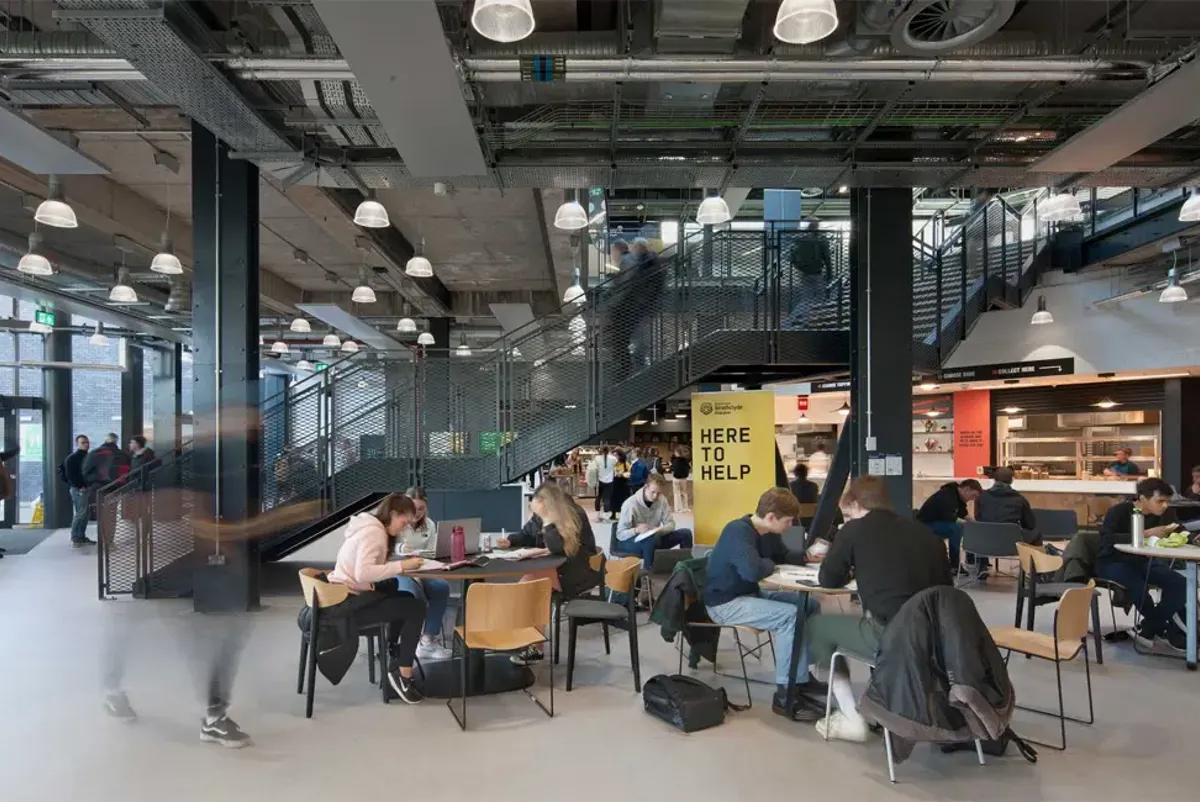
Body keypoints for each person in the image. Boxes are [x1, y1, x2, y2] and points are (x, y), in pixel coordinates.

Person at [808, 476, 953, 742]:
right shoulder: (926, 534)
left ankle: (850, 717)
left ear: (855, 503)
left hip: (892, 636)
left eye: (847, 513)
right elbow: (947, 589)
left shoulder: (853, 531)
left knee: (819, 626)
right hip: (936, 639)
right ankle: (885, 702)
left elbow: (828, 581)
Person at [704, 487, 823, 720]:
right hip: (725, 604)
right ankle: (784, 694)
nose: (790, 526)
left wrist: (806, 557)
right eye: (788, 521)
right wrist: (768, 563)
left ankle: (800, 678)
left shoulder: (766, 532)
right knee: (789, 615)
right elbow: (752, 571)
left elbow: (782, 556)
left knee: (810, 606)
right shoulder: (737, 531)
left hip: (748, 595)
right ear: (771, 517)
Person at [327, 493, 430, 703]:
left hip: (341, 598)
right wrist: (402, 566)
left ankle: (394, 656)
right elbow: (363, 573)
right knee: (416, 607)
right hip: (347, 606)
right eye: (404, 521)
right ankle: (402, 675)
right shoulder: (374, 533)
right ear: (393, 514)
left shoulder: (368, 527)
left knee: (404, 597)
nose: (405, 528)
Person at [497, 483, 599, 665]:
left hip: (575, 574)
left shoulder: (574, 515)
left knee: (529, 587)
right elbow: (526, 534)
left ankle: (528, 641)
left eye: (537, 507)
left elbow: (557, 548)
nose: (535, 512)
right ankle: (529, 641)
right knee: (530, 586)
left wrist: (547, 520)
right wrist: (510, 540)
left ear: (546, 503)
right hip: (556, 570)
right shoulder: (542, 516)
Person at [1095, 477, 1187, 653]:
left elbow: (1180, 530)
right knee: (1138, 586)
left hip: (1145, 562)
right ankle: (1162, 629)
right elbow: (1107, 540)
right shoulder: (1119, 511)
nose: (1165, 505)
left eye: (1167, 501)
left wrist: (1193, 538)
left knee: (1179, 583)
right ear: (1143, 498)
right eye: (1160, 501)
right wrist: (1144, 534)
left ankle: (1148, 628)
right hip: (1112, 561)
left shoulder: (1166, 514)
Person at [392, 487, 453, 661]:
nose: (417, 513)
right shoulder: (397, 522)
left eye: (421, 509)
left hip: (423, 568)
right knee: (411, 594)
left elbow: (434, 551)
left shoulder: (430, 524)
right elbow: (389, 549)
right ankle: (402, 644)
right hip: (399, 570)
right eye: (413, 508)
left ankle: (428, 641)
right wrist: (402, 549)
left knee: (441, 587)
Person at [614, 474, 694, 569]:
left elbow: (671, 524)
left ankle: (686, 568)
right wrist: (636, 530)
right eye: (653, 492)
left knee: (686, 533)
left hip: (654, 537)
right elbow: (620, 534)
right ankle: (649, 573)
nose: (656, 496)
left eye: (659, 493)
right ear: (645, 487)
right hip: (631, 541)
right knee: (649, 540)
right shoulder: (630, 504)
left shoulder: (662, 500)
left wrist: (658, 530)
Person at [974, 467, 1037, 580]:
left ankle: (982, 566)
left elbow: (978, 518)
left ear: (994, 479)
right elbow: (1030, 524)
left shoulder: (981, 497)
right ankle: (1033, 571)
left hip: (984, 543)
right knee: (1036, 533)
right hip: (1011, 544)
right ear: (1011, 481)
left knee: (981, 530)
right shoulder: (1020, 499)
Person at [916, 478, 982, 573]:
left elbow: (963, 513)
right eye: (973, 495)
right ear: (966, 489)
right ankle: (954, 565)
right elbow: (950, 517)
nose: (973, 499)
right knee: (956, 529)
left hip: (938, 523)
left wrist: (975, 524)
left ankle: (970, 558)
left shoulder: (957, 496)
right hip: (925, 524)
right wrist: (967, 524)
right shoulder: (947, 495)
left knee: (963, 528)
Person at [83, 433, 130, 545]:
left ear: (105, 440)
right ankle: (109, 541)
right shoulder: (123, 455)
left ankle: (102, 540)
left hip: (99, 489)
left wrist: (93, 483)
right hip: (116, 489)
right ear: (116, 441)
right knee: (111, 515)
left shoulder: (94, 453)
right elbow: (128, 473)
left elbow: (86, 472)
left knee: (101, 516)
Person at [58, 435, 93, 547]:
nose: (86, 444)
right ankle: (75, 537)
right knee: (81, 513)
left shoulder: (88, 457)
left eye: (87, 442)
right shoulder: (73, 458)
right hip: (78, 489)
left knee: (85, 514)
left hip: (85, 488)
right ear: (77, 444)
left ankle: (81, 536)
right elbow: (69, 474)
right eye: (83, 442)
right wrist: (79, 485)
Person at [591, 446, 617, 522]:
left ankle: (598, 515)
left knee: (598, 498)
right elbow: (615, 465)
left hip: (599, 481)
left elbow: (595, 468)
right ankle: (606, 516)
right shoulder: (613, 459)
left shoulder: (597, 458)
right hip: (609, 481)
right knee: (607, 498)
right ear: (609, 450)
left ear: (601, 451)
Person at [609, 448, 631, 517]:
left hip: (623, 484)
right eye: (614, 455)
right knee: (613, 499)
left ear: (620, 456)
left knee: (623, 499)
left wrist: (622, 474)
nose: (615, 457)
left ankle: (623, 513)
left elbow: (629, 474)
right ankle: (613, 513)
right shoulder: (612, 464)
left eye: (616, 455)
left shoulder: (626, 464)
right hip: (614, 484)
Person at [670, 446, 691, 512]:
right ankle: (685, 507)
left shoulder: (675, 460)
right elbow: (689, 468)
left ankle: (678, 509)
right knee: (684, 493)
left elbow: (672, 469)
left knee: (676, 494)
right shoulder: (686, 460)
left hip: (676, 478)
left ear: (677, 453)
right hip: (684, 478)